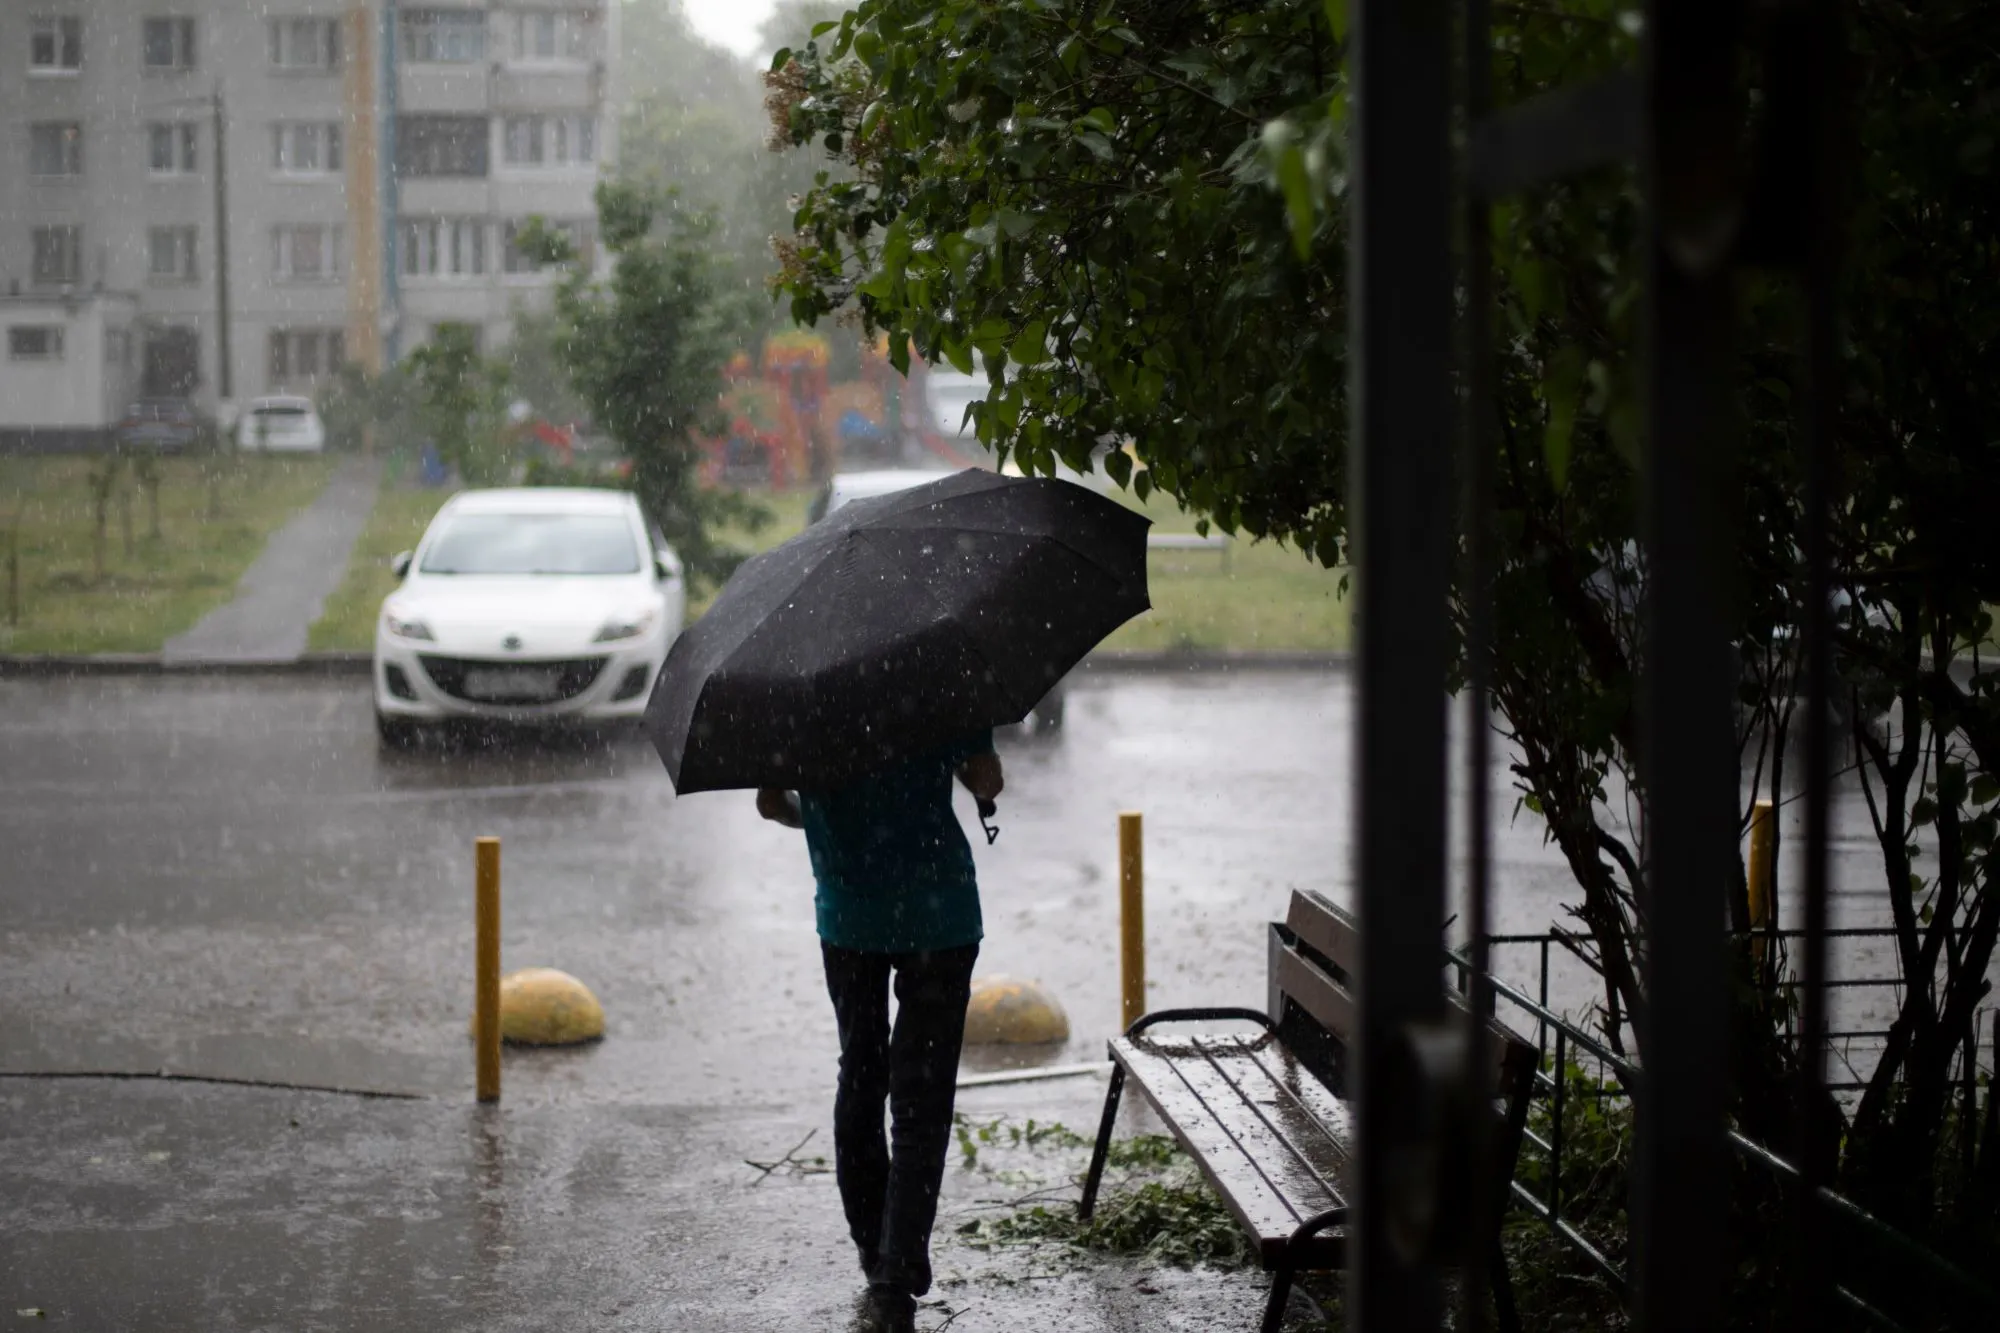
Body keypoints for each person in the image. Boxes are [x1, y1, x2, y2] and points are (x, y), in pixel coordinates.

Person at [757, 731, 1004, 1332]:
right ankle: (897, 1270)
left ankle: (875, 1249)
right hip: (938, 914)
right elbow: (987, 778)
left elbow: (771, 805)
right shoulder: (940, 672)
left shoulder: (797, 688)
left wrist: (821, 814)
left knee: (861, 1075)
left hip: (849, 913)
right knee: (921, 1097)